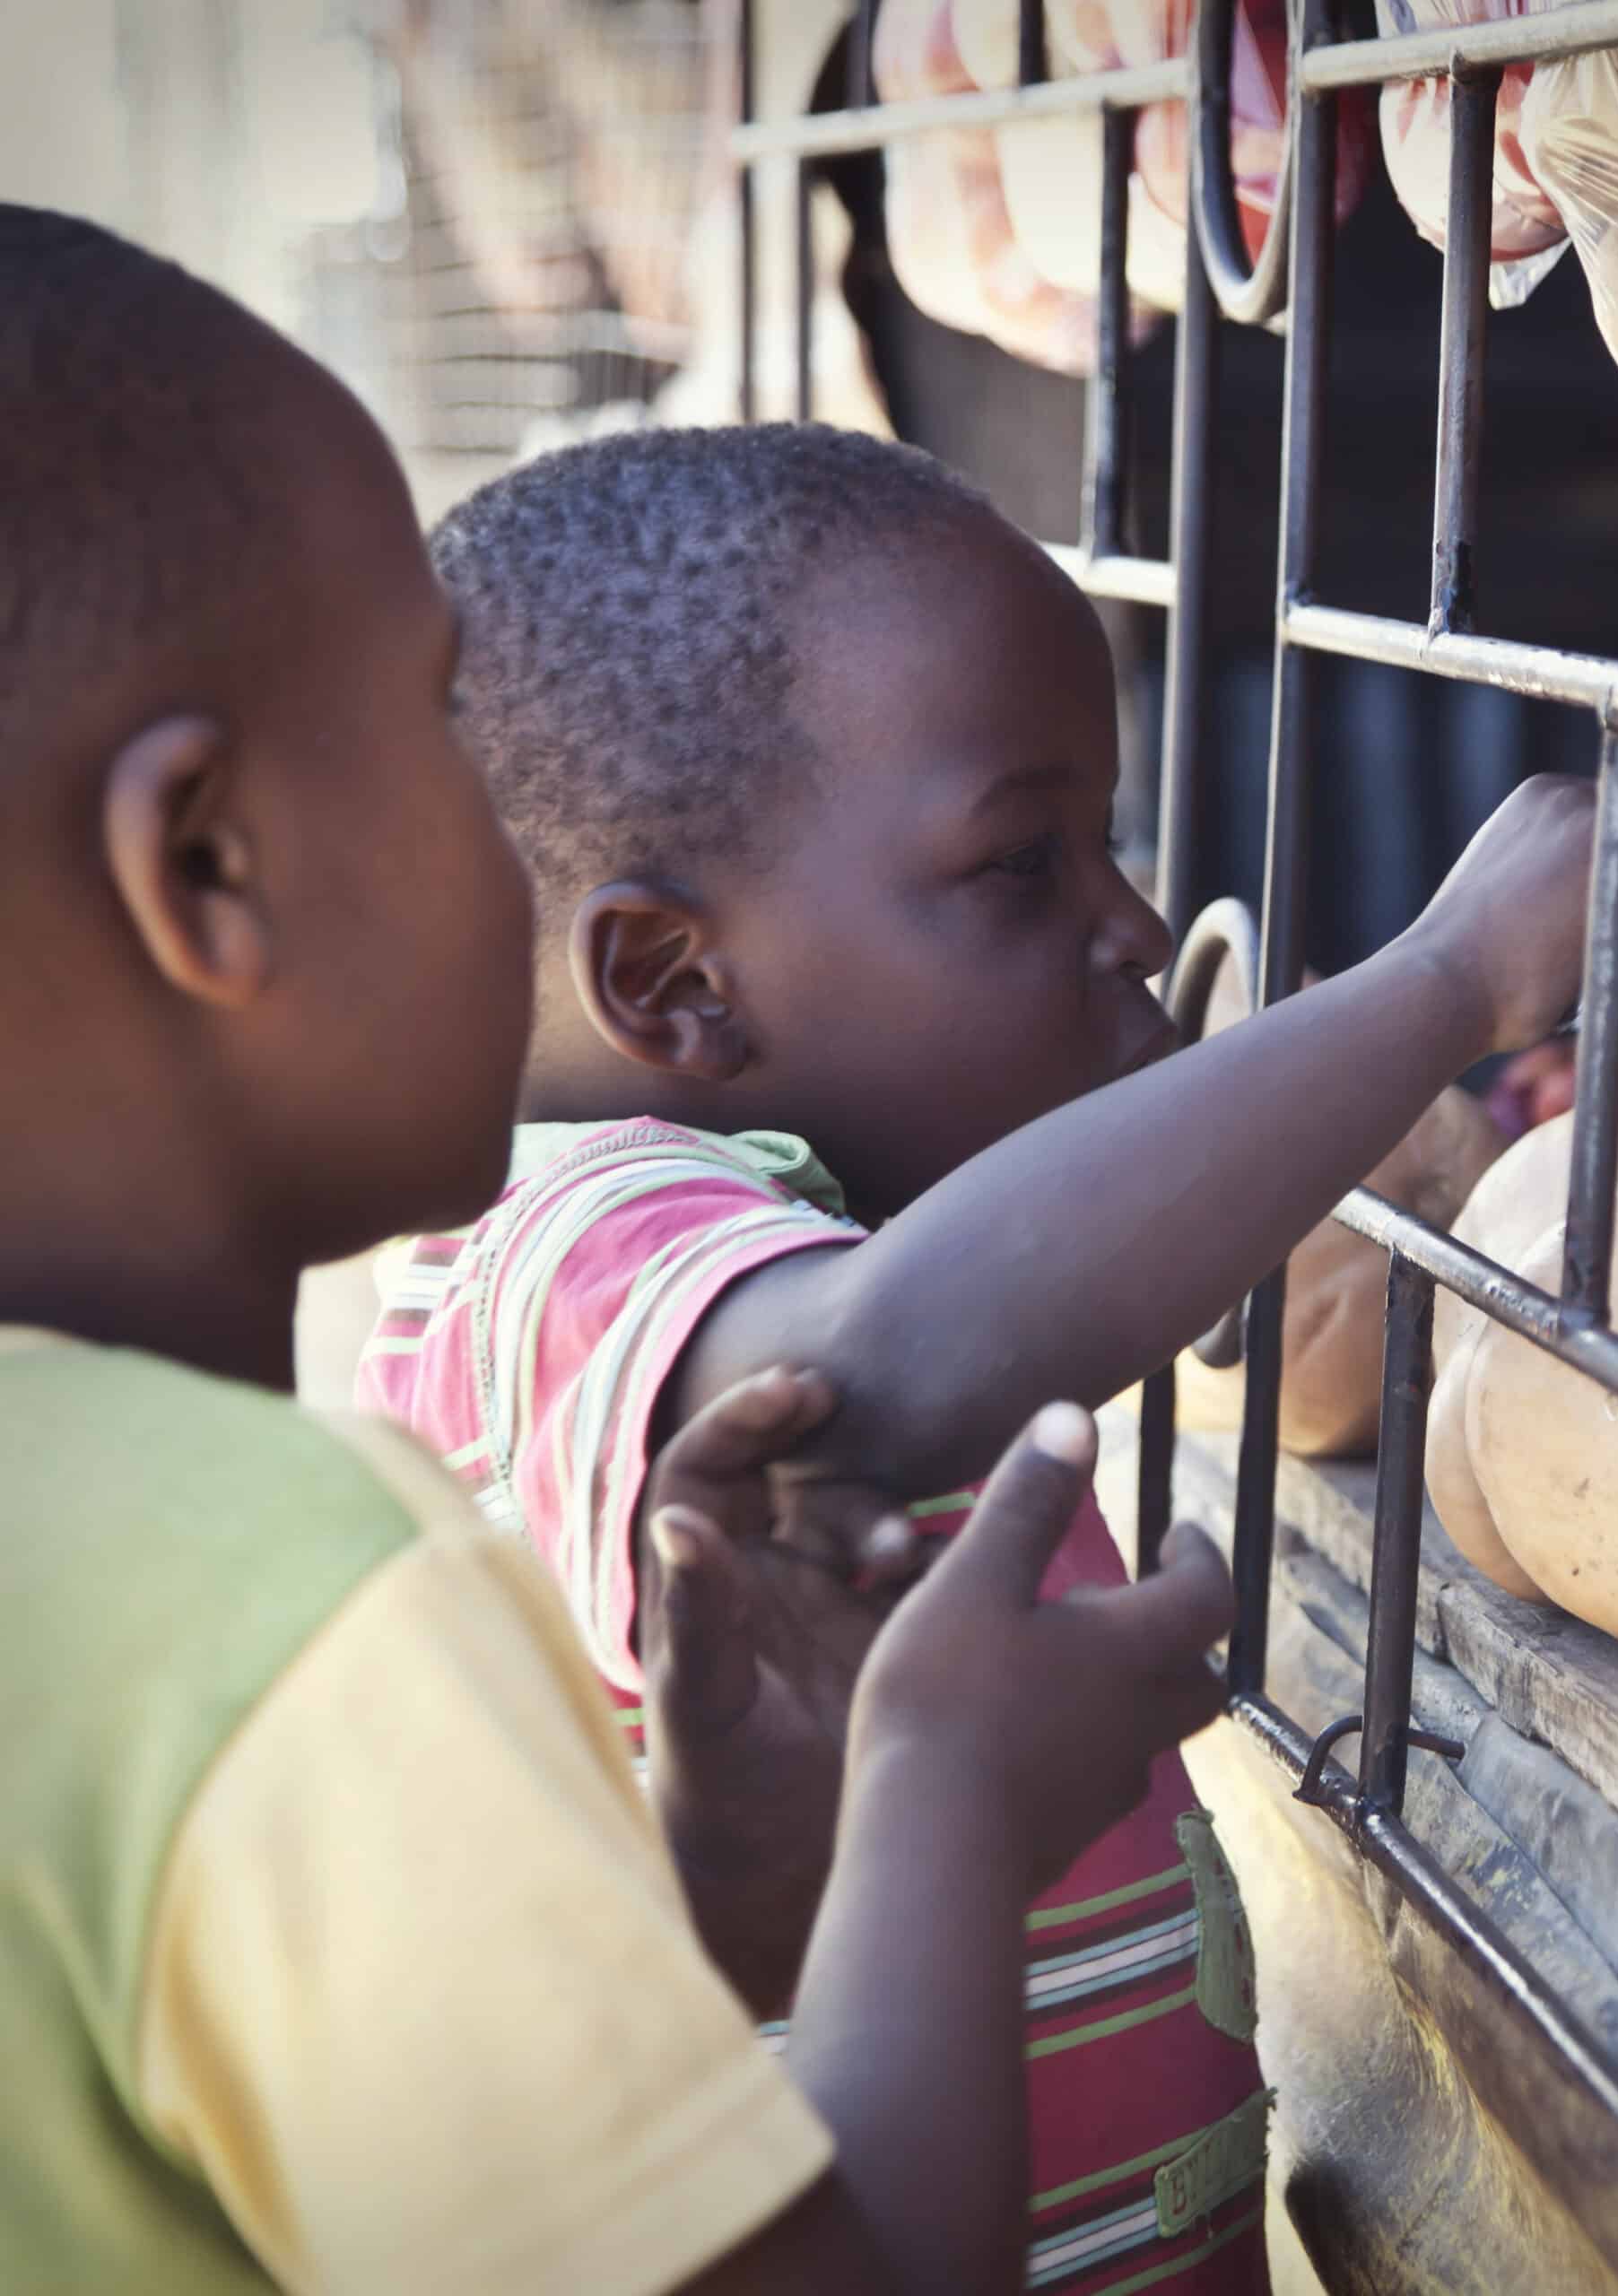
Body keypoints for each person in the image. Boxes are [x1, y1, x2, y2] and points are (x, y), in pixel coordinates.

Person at [351, 425, 1618, 2292]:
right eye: (1021, 861)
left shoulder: (768, 1208)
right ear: (676, 983)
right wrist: (1438, 980)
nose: (1123, 924)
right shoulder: (563, 1250)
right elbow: (876, 1377)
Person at [0, 204, 1236, 2296]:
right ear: (208, 865)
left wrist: (716, 1902)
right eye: (427, 729)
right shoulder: (288, 1608)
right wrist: (937, 1812)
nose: (524, 848)